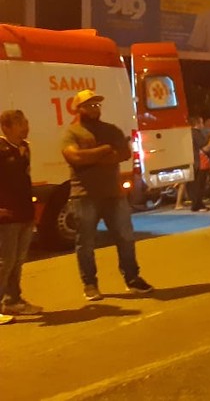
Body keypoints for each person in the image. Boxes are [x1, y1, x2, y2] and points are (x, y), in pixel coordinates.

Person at [61, 89, 153, 301]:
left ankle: (132, 278)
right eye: (89, 105)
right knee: (86, 242)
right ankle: (90, 284)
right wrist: (103, 151)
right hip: (84, 195)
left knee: (126, 237)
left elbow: (123, 154)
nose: (94, 109)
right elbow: (73, 157)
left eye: (97, 105)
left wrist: (90, 157)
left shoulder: (112, 130)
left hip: (114, 194)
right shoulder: (72, 133)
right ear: (79, 109)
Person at [0, 109, 41, 323]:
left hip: (24, 212)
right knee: (5, 261)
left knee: (17, 261)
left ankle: (13, 300)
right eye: (20, 123)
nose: (25, 127)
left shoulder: (25, 148)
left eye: (26, 122)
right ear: (6, 127)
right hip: (7, 215)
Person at [189, 116, 210, 212]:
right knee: (200, 185)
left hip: (194, 162)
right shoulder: (196, 133)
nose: (203, 125)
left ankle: (196, 204)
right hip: (201, 162)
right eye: (201, 123)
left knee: (195, 185)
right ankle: (198, 205)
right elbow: (205, 148)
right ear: (197, 123)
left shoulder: (189, 133)